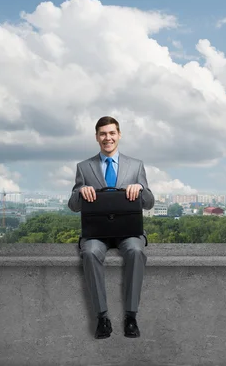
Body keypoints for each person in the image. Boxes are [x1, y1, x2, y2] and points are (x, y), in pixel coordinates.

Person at [68, 116, 155, 339]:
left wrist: (141, 189)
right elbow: (73, 206)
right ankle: (102, 317)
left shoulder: (136, 166)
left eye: (112, 133)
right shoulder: (83, 167)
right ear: (97, 137)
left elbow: (149, 202)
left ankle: (131, 316)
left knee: (136, 251)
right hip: (97, 234)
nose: (108, 138)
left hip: (128, 232)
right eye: (103, 134)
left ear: (119, 135)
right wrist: (80, 192)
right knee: (88, 252)